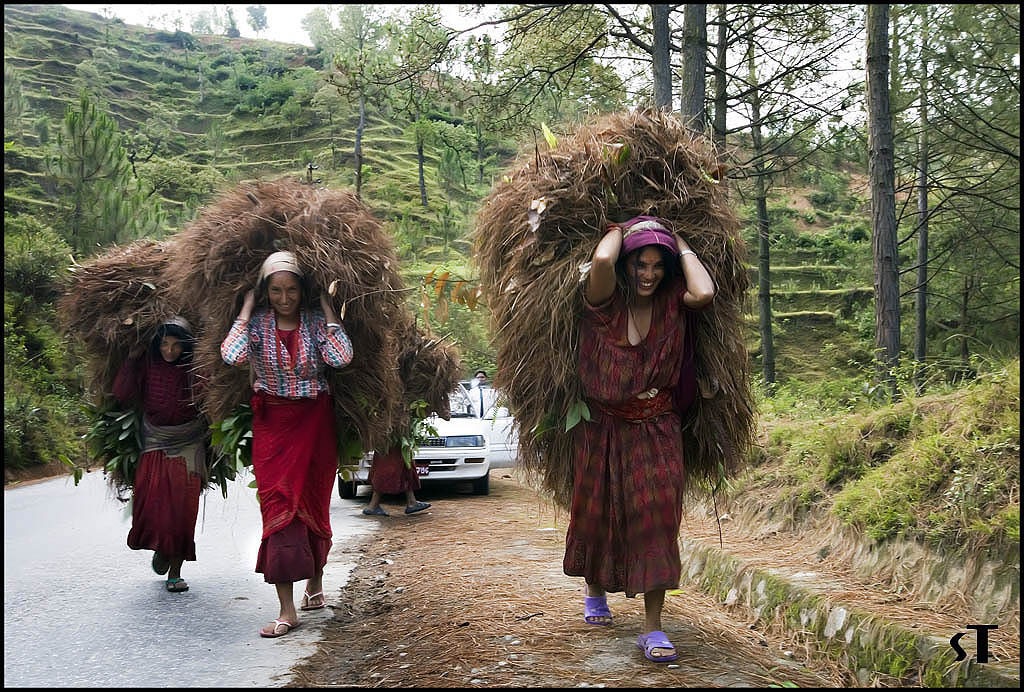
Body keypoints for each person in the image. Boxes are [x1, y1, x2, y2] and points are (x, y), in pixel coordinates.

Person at [563, 215, 715, 663]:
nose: (648, 274)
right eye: (640, 264)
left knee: (657, 519)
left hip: (657, 424)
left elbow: (705, 292)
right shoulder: (602, 302)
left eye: (656, 265)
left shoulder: (673, 303)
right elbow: (602, 258)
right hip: (603, 425)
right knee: (599, 510)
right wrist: (624, 226)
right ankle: (595, 589)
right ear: (627, 265)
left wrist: (679, 238)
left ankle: (652, 628)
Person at [220, 250, 354, 638]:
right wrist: (245, 309)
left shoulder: (314, 323)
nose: (284, 298)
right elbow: (232, 355)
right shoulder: (258, 325)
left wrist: (329, 310)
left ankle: (315, 584)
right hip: (273, 425)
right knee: (279, 508)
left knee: (312, 504)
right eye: (275, 290)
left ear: (302, 290)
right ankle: (287, 609)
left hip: (314, 424)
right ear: (265, 292)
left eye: (291, 289)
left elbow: (342, 357)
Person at [112, 316, 206, 593]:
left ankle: (175, 571)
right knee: (150, 506)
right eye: (164, 344)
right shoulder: (147, 364)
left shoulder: (195, 368)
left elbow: (210, 398)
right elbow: (121, 393)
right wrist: (131, 358)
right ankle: (162, 549)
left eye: (177, 346)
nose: (170, 351)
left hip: (189, 442)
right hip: (154, 439)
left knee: (182, 511)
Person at [361, 447, 431, 517]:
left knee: (405, 468)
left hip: (391, 444)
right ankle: (373, 506)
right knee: (389, 467)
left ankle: (412, 502)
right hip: (391, 444)